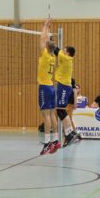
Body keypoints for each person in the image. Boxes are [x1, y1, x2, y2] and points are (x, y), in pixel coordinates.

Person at [37, 20, 60, 155]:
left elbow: (42, 38)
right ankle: (56, 140)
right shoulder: (52, 57)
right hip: (51, 87)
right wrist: (49, 33)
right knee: (52, 114)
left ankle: (47, 143)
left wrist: (45, 26)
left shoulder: (45, 56)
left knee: (46, 115)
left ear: (46, 47)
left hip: (45, 88)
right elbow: (47, 40)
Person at [54, 45, 79, 147]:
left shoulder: (65, 58)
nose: (63, 51)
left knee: (60, 111)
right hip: (63, 86)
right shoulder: (67, 59)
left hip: (64, 87)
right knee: (60, 110)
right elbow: (57, 50)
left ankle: (69, 134)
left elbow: (55, 50)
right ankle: (71, 133)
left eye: (65, 50)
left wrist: (48, 39)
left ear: (68, 53)